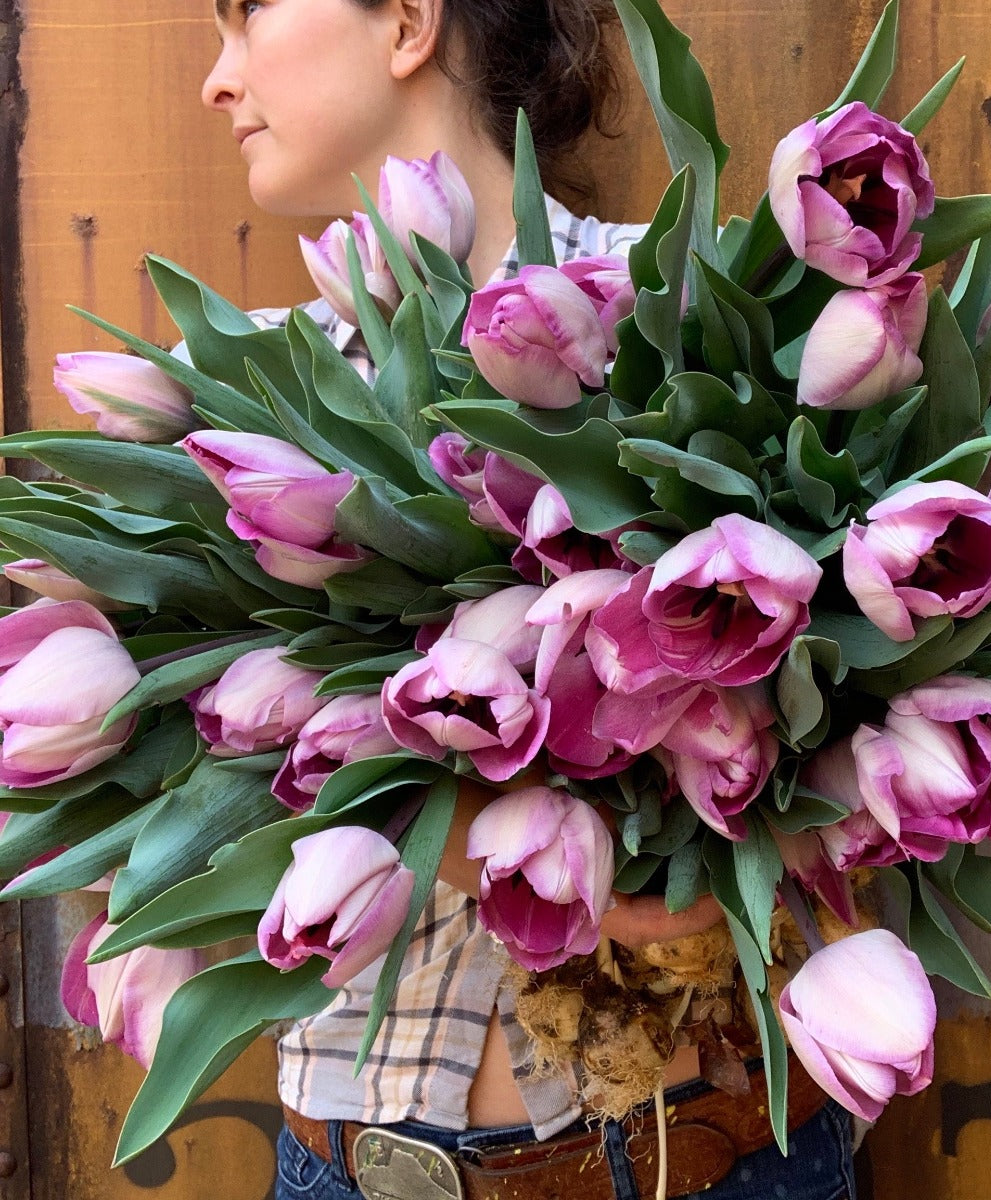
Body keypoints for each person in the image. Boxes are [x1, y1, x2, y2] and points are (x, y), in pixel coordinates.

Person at [200, 3, 858, 1198]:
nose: (215, 81)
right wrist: (449, 832)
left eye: (246, 20)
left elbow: (873, 688)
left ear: (405, 21)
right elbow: (187, 776)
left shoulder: (697, 312)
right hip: (350, 1166)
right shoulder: (249, 403)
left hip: (695, 1157)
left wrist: (727, 832)